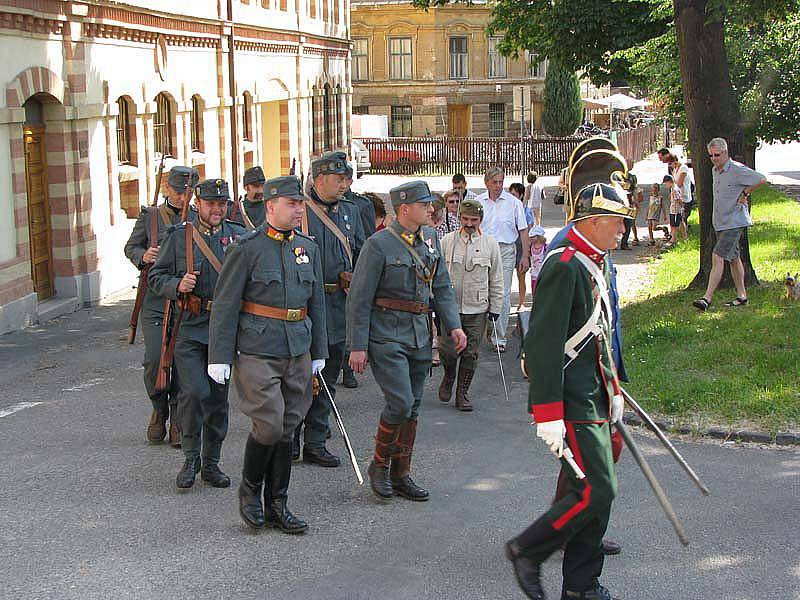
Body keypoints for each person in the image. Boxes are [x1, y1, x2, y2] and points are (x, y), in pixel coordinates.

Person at [506, 166, 634, 600]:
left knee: (596, 495)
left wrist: (614, 391)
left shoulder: (593, 260)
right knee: (597, 489)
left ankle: (581, 585)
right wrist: (547, 413)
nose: (622, 230)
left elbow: (597, 337)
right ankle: (527, 550)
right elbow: (543, 344)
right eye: (617, 221)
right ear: (593, 221)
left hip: (595, 395)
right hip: (571, 399)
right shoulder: (564, 265)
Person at [207, 175, 327, 534]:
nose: (298, 210)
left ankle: (278, 504)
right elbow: (226, 304)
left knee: (289, 426)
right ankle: (250, 491)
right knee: (270, 423)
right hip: (258, 349)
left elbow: (317, 303)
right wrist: (219, 355)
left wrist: (319, 351)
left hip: (298, 349)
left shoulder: (308, 247)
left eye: (300, 203)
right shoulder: (247, 248)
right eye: (292, 204)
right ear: (271, 206)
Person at [346, 181, 467, 501]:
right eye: (424, 205)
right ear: (404, 209)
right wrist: (358, 345)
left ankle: (402, 473)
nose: (431, 210)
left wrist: (453, 325)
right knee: (399, 402)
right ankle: (379, 464)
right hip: (386, 335)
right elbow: (359, 299)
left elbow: (441, 287)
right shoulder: (378, 245)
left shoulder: (430, 238)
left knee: (412, 407)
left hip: (418, 334)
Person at [149, 179, 246, 489]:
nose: (217, 209)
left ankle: (212, 463)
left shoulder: (240, 238)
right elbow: (156, 276)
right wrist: (176, 285)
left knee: (218, 400)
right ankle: (191, 457)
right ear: (198, 206)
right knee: (193, 393)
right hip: (189, 328)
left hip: (224, 331)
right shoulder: (179, 238)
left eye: (222, 204)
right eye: (210, 204)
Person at [291, 152, 365, 466]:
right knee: (297, 376)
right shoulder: (300, 211)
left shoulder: (351, 210)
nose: (345, 185)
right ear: (319, 180)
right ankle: (291, 437)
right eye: (339, 180)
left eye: (347, 179)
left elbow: (363, 250)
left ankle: (316, 439)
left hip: (338, 306)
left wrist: (357, 277)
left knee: (329, 375)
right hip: (306, 307)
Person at [124, 165, 198, 446]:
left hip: (185, 300)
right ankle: (159, 408)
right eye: (179, 192)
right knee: (155, 359)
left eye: (188, 193)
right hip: (156, 300)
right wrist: (145, 255)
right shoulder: (151, 217)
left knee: (182, 360)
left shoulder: (196, 217)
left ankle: (179, 416)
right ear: (168, 189)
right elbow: (131, 247)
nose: (183, 198)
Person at [437, 199, 503, 411]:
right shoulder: (447, 241)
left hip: (477, 308)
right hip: (450, 308)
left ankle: (462, 392)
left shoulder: (490, 244)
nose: (469, 223)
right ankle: (449, 375)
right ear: (459, 218)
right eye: (465, 219)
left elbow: (497, 278)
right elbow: (436, 275)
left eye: (473, 220)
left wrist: (496, 308)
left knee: (471, 353)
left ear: (480, 220)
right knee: (448, 350)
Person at [692, 137, 766, 311]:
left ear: (725, 152)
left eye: (717, 155)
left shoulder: (737, 170)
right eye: (711, 155)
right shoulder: (715, 170)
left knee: (717, 256)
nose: (714, 158)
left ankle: (706, 298)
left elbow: (761, 179)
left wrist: (746, 193)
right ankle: (742, 296)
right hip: (720, 222)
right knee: (733, 259)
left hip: (734, 221)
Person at [476, 167, 530, 352]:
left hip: (506, 250)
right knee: (483, 291)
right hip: (483, 250)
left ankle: (500, 338)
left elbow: (523, 230)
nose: (498, 186)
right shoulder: (478, 202)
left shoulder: (513, 203)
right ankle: (483, 329)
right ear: (487, 183)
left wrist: (525, 255)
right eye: (494, 182)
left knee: (504, 293)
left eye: (501, 181)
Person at [509, 182, 530, 310]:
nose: (512, 198)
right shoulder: (506, 208)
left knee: (521, 275)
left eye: (515, 195)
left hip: (521, 245)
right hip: (510, 245)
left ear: (521, 196)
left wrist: (526, 253)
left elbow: (528, 231)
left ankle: (521, 303)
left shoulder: (526, 211)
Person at [664, 174, 686, 246]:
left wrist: (682, 208)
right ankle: (678, 238)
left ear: (669, 182)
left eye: (665, 183)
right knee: (675, 224)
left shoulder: (674, 190)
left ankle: (674, 240)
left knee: (675, 226)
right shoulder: (672, 189)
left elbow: (679, 200)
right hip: (673, 210)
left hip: (676, 211)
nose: (665, 185)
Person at [528, 225, 547, 297]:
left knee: (543, 290)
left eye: (533, 237)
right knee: (534, 291)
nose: (531, 238)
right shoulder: (530, 247)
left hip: (543, 273)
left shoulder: (545, 248)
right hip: (534, 274)